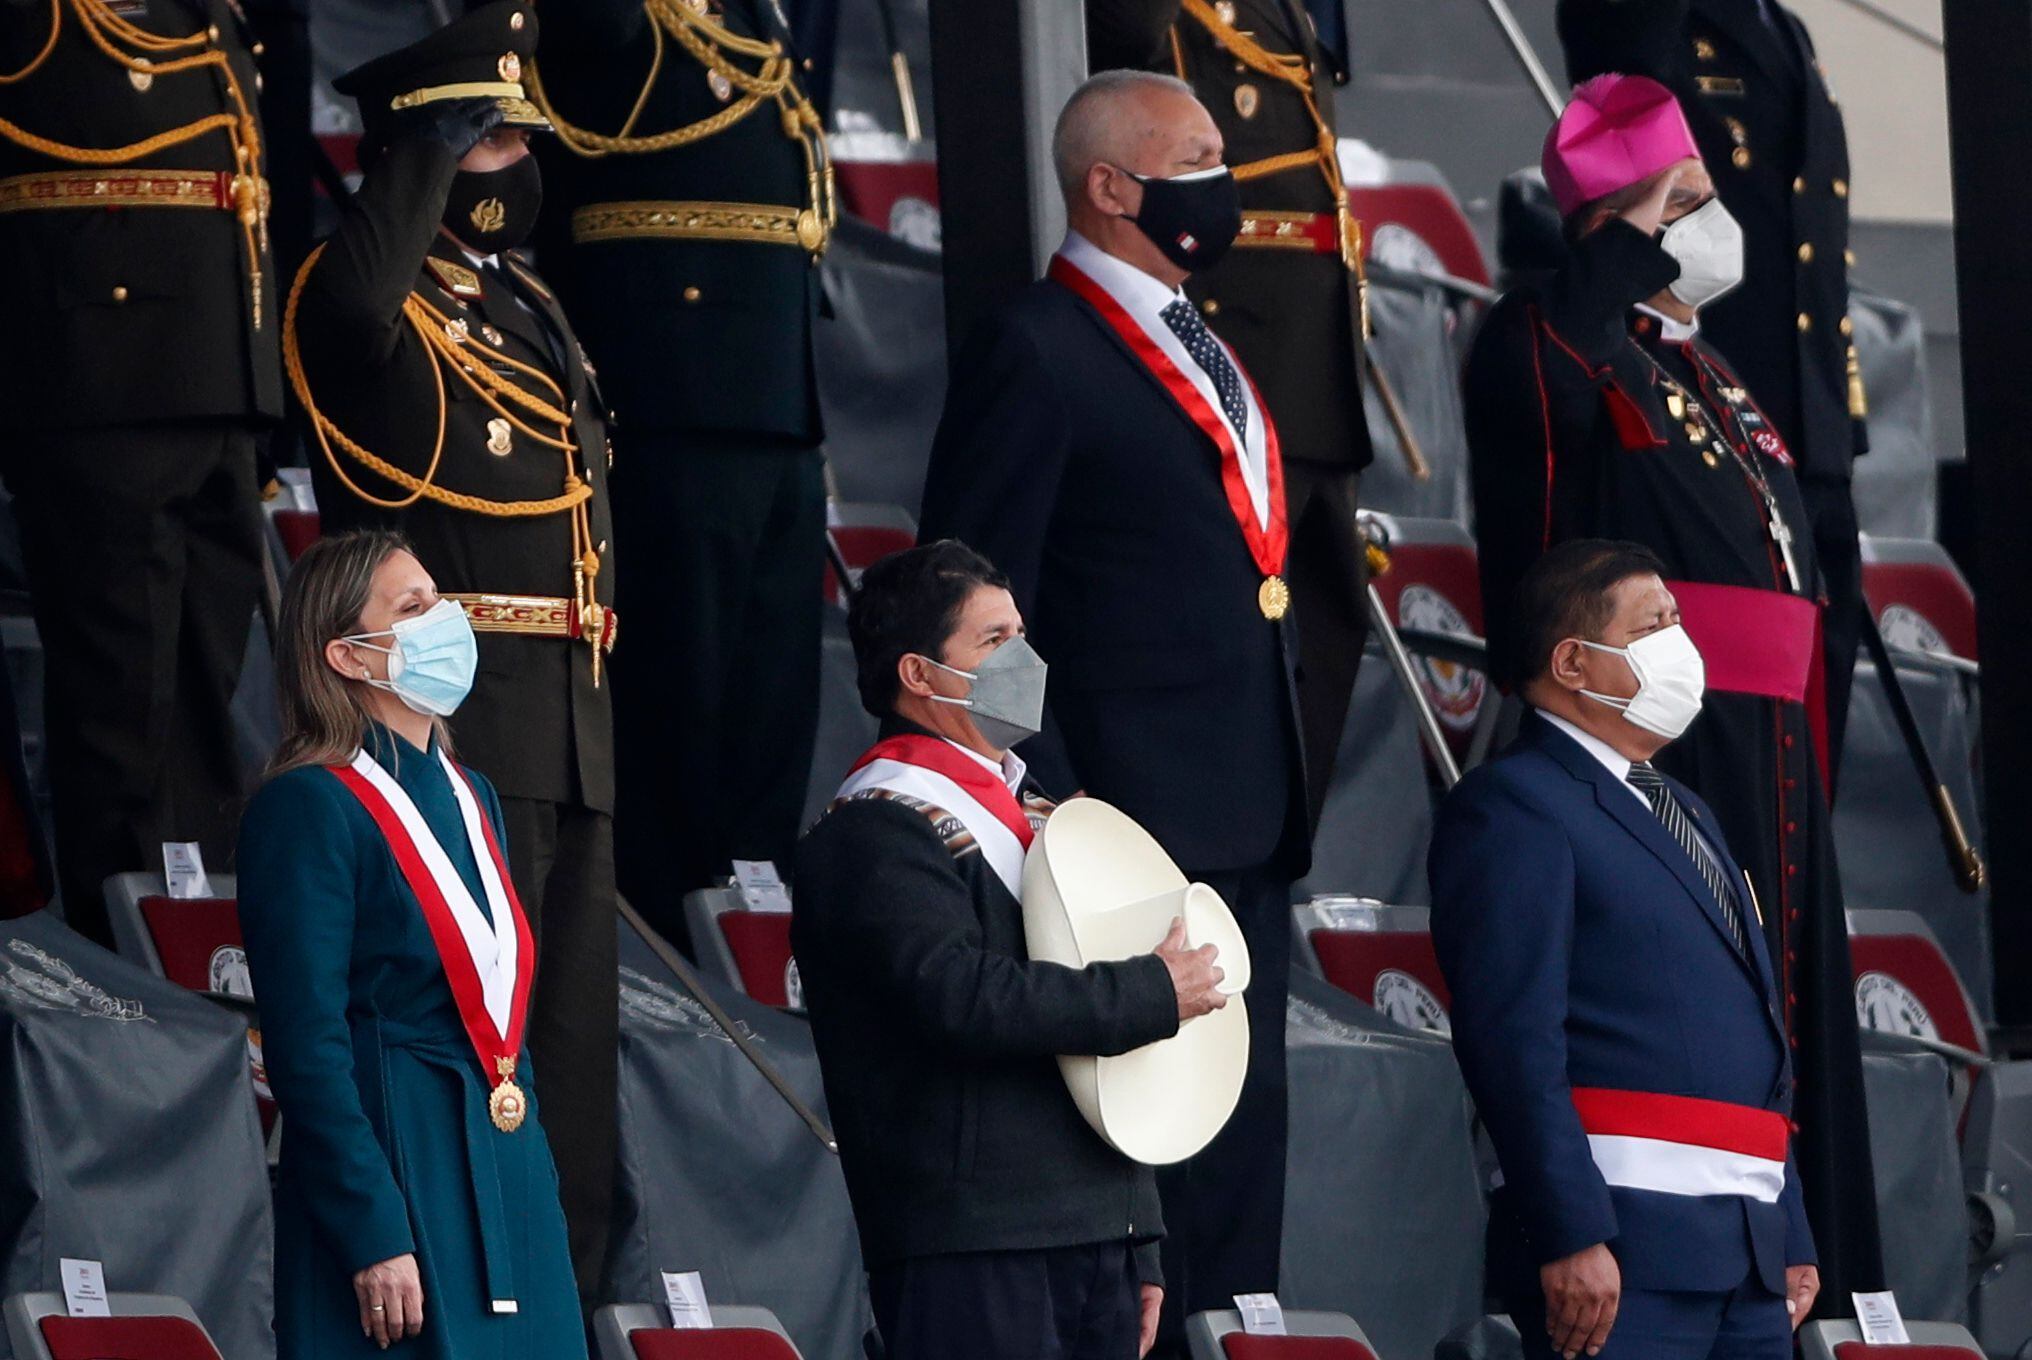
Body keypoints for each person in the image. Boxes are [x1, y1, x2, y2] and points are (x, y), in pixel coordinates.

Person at [1462, 73, 1882, 1301]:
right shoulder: (1556, 345)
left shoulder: (1697, 364)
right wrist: (1608, 246)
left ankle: (1809, 1267)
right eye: (1684, 201)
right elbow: (1541, 389)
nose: (1714, 220)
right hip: (1667, 740)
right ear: (1617, 229)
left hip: (1776, 743)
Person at [918, 70, 1308, 1351]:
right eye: (1194, 153)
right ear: (1110, 185)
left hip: (1244, 805)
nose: (1222, 174)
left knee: (1241, 1152)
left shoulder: (1208, 335)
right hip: (1122, 816)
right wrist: (1053, 785)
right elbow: (978, 586)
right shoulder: (1036, 342)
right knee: (1153, 1166)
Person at [292, 1, 619, 1299]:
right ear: (419, 151)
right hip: (460, 718)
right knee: (475, 1056)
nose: (514, 163)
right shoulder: (368, 292)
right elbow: (358, 310)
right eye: (488, 140)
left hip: (572, 719)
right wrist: (425, 158)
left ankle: (565, 1305)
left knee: (573, 1077)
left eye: (511, 136)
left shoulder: (525, 302)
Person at [794, 539, 1229, 1360]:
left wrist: (1138, 1233)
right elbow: (961, 998)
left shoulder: (1039, 810)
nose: (1022, 658)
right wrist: (1150, 991)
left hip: (1092, 1228)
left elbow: (1101, 1070)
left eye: (1021, 634)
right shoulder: (877, 824)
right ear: (918, 675)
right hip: (971, 1239)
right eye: (994, 642)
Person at [1430, 540, 1818, 1360]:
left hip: (1745, 1257)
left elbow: (1752, 1036)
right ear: (1573, 661)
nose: (1683, 643)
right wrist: (1570, 1231)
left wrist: (1786, 1218)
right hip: (1622, 1253)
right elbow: (1512, 1041)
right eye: (1656, 624)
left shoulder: (1686, 809)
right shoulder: (1515, 807)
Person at [237, 530, 584, 1360]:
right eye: (415, 607)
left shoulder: (475, 794)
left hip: (505, 1163)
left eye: (440, 599)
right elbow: (305, 1044)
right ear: (350, 658)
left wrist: (533, 1175)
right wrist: (370, 1227)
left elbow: (499, 1002)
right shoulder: (309, 805)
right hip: (398, 1158)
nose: (447, 620)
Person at [528, 0, 833, 940]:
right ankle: (664, 928)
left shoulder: (748, 18)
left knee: (772, 698)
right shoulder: (618, 24)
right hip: (668, 393)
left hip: (777, 400)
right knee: (679, 700)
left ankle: (751, 919)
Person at [0, 0, 279, 946]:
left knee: (208, 690)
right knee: (119, 707)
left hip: (221, 375)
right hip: (97, 379)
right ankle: (119, 953)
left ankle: (197, 943)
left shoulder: (212, 17)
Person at [1558, 0, 1868, 781]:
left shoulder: (1784, 30)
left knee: (1812, 733)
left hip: (1806, 421)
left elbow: (1815, 243)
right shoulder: (1662, 18)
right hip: (1690, 418)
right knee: (1712, 753)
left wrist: (1834, 422)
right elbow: (1614, 109)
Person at [1087, 0, 1375, 824]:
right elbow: (1114, 46)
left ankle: (1277, 854)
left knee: (1323, 628)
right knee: (1235, 634)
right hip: (1229, 350)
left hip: (1314, 372)